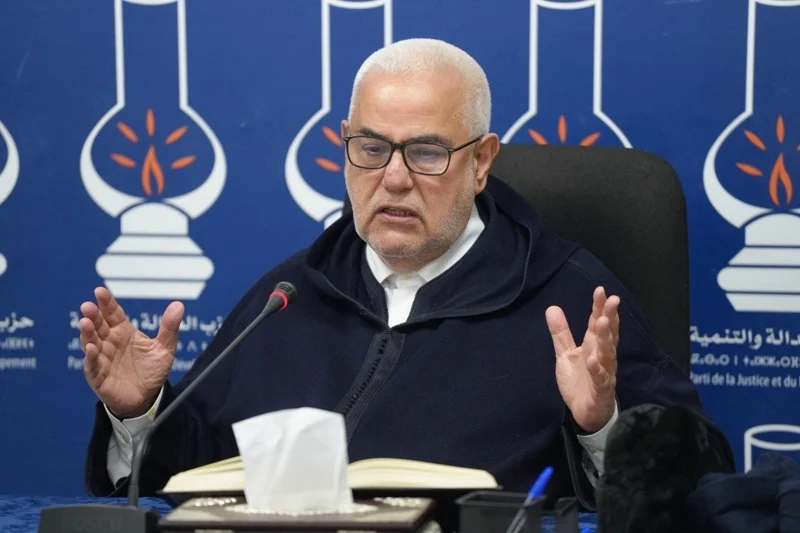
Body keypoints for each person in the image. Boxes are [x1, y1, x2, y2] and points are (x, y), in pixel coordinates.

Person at [80, 38, 730, 508]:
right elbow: (183, 481)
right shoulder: (290, 293)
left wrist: (603, 427)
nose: (393, 178)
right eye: (371, 148)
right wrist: (138, 412)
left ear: (482, 162)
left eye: (425, 152)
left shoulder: (570, 299)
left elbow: (700, 486)